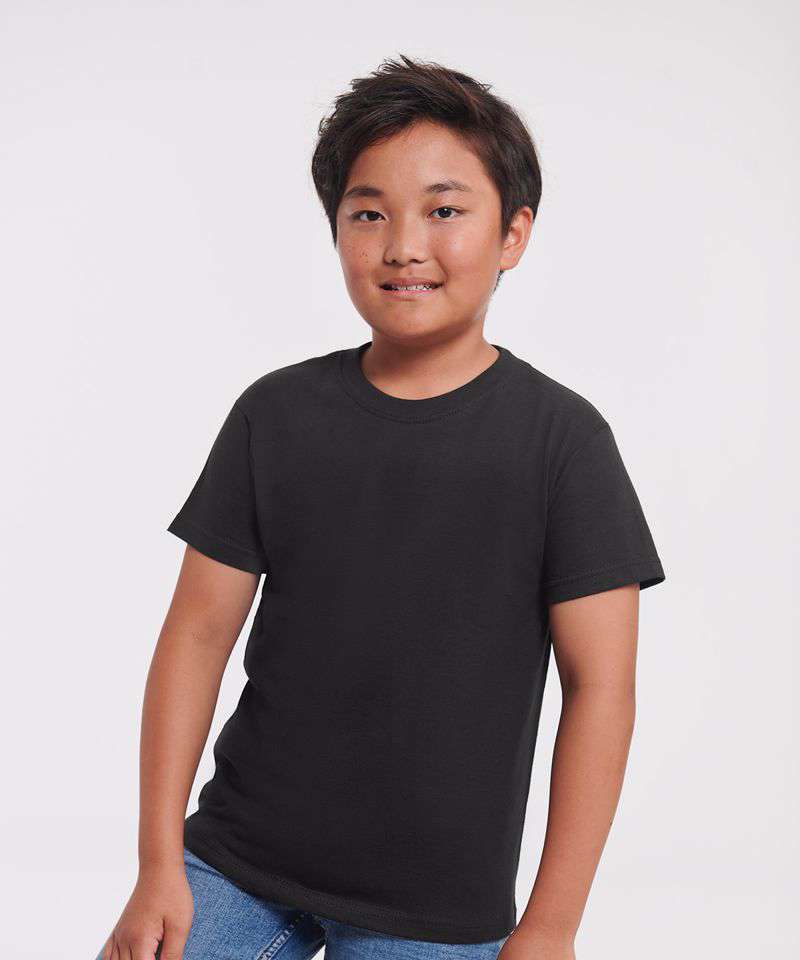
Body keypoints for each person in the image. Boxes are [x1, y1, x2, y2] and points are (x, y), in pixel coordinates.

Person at [95, 54, 666, 960]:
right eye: (369, 213)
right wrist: (158, 863)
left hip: (437, 906)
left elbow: (601, 689)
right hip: (238, 859)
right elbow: (196, 637)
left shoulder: (564, 442)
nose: (403, 246)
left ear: (513, 233)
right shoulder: (275, 414)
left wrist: (552, 926)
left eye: (445, 211)